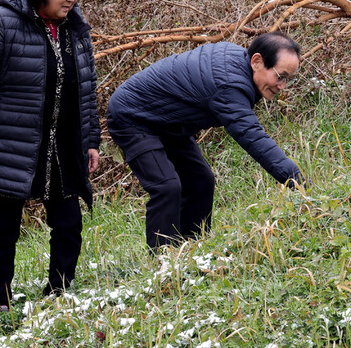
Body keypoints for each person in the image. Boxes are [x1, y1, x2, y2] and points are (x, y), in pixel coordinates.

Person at [0, 0, 101, 316]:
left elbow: (87, 88)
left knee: (68, 224)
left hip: (63, 145)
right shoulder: (0, 23)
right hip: (12, 143)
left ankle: (60, 292)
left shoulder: (76, 29)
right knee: (3, 230)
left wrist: (90, 140)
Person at [106, 32, 306, 250]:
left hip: (169, 122)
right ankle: (163, 264)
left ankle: (193, 249)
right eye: (280, 76)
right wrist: (299, 183)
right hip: (133, 117)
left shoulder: (240, 66)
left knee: (201, 180)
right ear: (256, 61)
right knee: (167, 187)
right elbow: (253, 137)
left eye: (288, 79)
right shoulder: (229, 85)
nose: (282, 86)